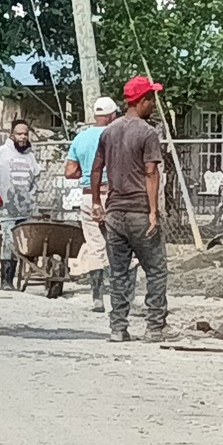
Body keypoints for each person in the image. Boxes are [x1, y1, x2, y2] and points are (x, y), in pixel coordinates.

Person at [87, 74, 168, 342]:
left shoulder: (109, 131)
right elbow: (150, 173)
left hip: (114, 213)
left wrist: (96, 202)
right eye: (151, 99)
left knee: (118, 273)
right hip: (139, 212)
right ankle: (154, 327)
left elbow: (96, 168)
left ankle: (118, 328)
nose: (153, 104)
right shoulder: (147, 132)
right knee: (156, 270)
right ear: (142, 100)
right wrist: (153, 211)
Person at [64, 95, 120, 308]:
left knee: (95, 246)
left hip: (89, 196)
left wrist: (86, 172)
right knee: (121, 243)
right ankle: (122, 293)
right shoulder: (116, 134)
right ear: (112, 115)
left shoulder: (81, 138)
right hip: (114, 195)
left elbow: (70, 171)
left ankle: (97, 298)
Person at [0, 118, 41, 291]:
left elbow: (35, 179)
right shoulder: (0, 153)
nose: (23, 137)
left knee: (25, 245)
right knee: (9, 242)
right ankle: (6, 281)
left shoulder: (30, 156)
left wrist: (32, 196)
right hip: (7, 208)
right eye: (19, 134)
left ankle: (24, 276)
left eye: (25, 134)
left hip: (26, 209)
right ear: (11, 134)